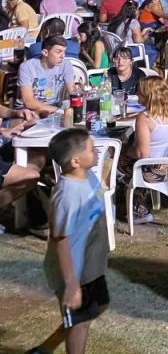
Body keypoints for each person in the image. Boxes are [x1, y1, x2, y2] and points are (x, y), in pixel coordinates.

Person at [30, 129, 109, 354]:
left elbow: (96, 202)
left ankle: (46, 348)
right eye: (91, 150)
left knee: (98, 307)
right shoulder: (67, 195)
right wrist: (72, 285)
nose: (96, 152)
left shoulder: (88, 176)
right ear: (75, 161)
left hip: (91, 265)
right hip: (75, 270)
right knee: (79, 323)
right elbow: (61, 240)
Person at [118, 77, 168, 224]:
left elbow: (142, 155)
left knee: (120, 160)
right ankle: (131, 199)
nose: (137, 95)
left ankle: (137, 208)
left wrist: (124, 151)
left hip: (156, 171)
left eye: (140, 92)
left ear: (148, 96)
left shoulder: (145, 118)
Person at [17, 35, 81, 117]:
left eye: (64, 52)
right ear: (45, 52)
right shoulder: (27, 67)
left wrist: (81, 92)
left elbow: (72, 91)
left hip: (54, 107)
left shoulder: (66, 65)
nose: (62, 56)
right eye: (58, 52)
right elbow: (28, 101)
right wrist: (58, 111)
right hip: (29, 110)